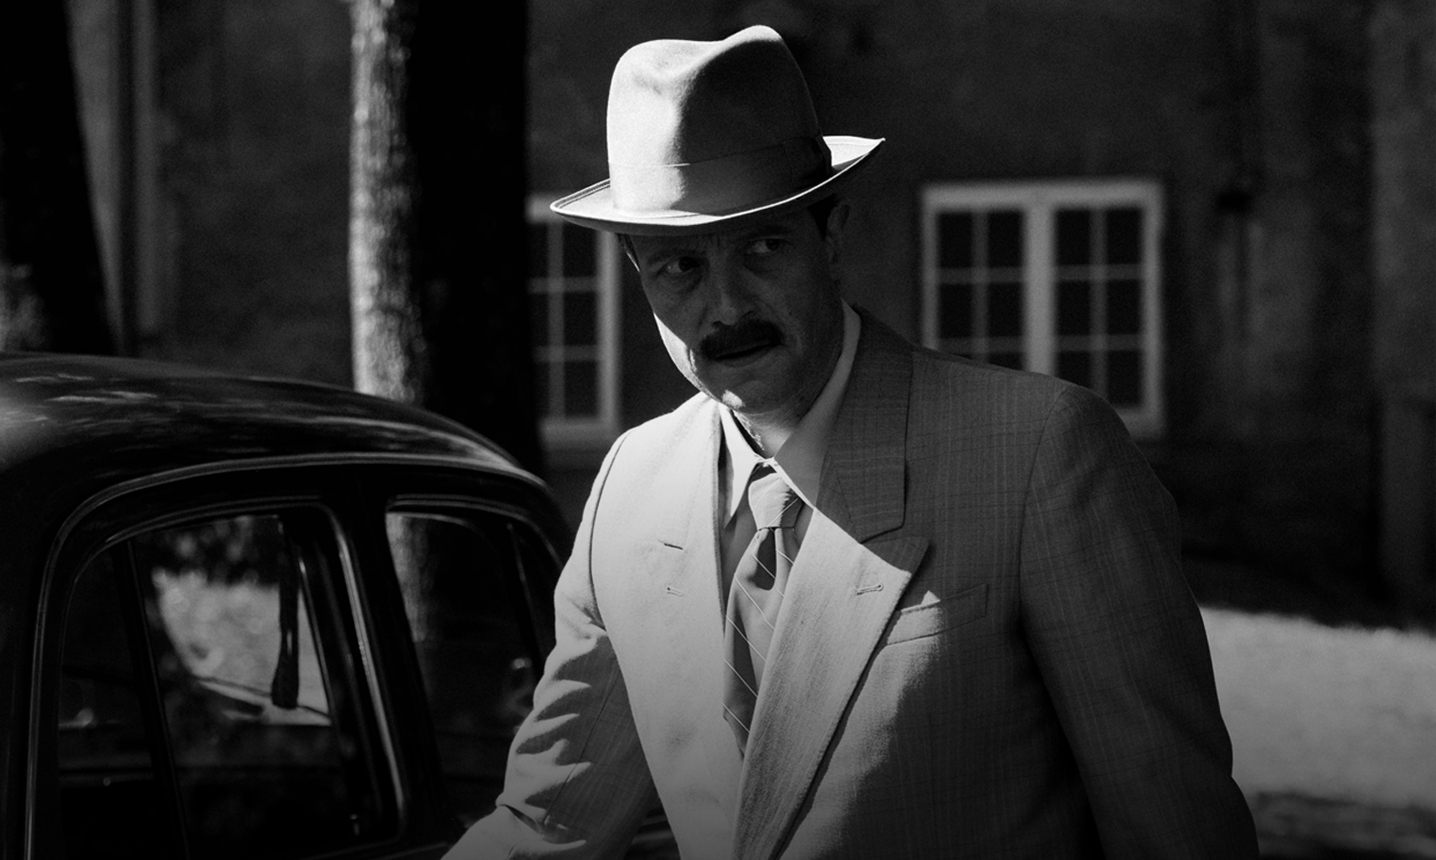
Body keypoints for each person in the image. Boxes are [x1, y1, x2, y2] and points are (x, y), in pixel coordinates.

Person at [446, 24, 1258, 860]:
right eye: (679, 266)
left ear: (831, 238)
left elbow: (1174, 830)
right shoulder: (631, 486)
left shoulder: (1039, 452)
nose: (726, 306)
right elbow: (547, 824)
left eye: (763, 246)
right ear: (636, 271)